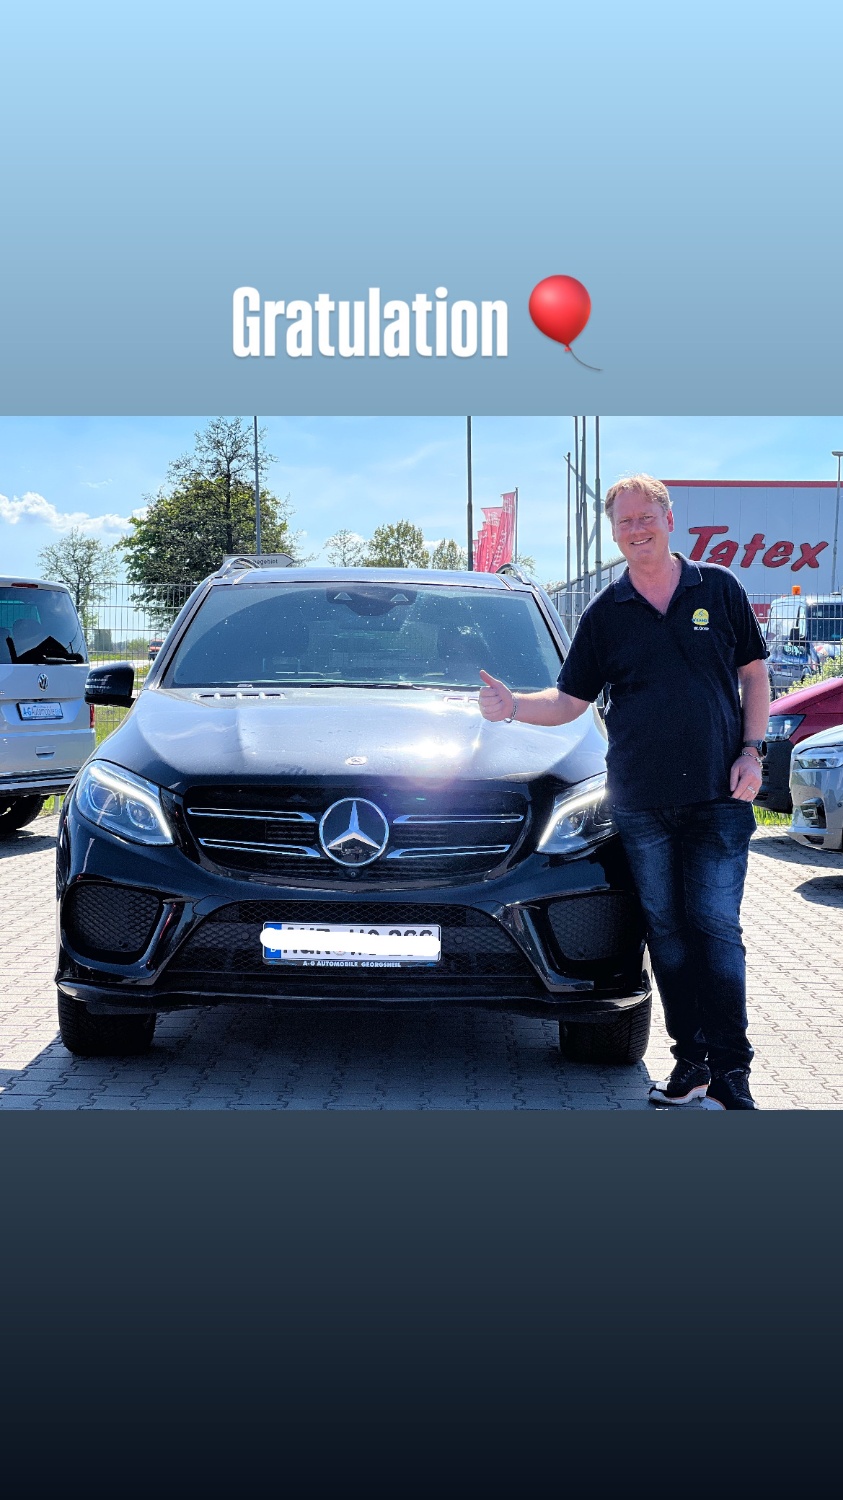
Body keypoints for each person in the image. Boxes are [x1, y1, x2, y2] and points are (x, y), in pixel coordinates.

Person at [478, 474, 770, 1110]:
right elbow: (568, 702)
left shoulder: (718, 589)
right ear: (613, 533)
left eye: (646, 518)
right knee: (665, 931)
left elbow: (754, 673)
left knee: (714, 926)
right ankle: (691, 1064)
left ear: (669, 519)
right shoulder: (606, 613)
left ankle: (732, 1069)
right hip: (640, 803)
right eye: (624, 523)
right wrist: (511, 707)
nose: (637, 530)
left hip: (719, 797)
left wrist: (753, 751)